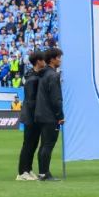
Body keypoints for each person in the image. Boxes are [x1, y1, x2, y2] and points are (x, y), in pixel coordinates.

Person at [35, 47, 64, 182]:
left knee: (43, 145)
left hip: (40, 113)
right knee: (48, 145)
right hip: (50, 115)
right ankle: (45, 173)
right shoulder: (53, 75)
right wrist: (60, 116)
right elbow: (56, 98)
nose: (60, 60)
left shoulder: (43, 74)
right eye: (58, 58)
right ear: (52, 59)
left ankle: (42, 173)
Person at [16, 51, 46, 181]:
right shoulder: (32, 79)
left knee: (33, 144)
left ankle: (28, 169)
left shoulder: (33, 75)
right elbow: (30, 100)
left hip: (34, 115)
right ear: (38, 61)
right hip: (31, 115)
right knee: (28, 144)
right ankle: (22, 172)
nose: (45, 62)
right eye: (43, 60)